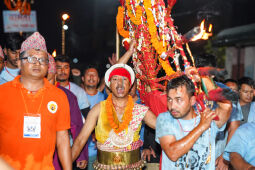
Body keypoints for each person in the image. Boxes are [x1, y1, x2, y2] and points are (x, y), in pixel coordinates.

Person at [0, 32, 72, 169]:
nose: (37, 63)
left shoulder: (59, 96)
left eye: (43, 60)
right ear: (20, 63)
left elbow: (63, 139)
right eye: (32, 58)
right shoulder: (2, 93)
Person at [71, 63, 156, 169]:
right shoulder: (98, 110)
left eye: (124, 79)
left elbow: (164, 129)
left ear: (130, 85)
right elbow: (80, 141)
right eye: (115, 79)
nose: (120, 84)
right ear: (109, 85)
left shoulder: (140, 110)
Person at [156, 74, 232, 170]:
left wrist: (203, 78)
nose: (172, 106)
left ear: (192, 100)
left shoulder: (207, 119)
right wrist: (201, 127)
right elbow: (173, 154)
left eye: (178, 100)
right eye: (169, 100)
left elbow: (227, 106)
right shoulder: (164, 120)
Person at [53, 85, 88, 170]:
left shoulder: (65, 95)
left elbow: (77, 126)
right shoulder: (21, 91)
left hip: (58, 153)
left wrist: (81, 154)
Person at [215, 79, 242, 170]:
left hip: (217, 153)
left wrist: (225, 157)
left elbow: (233, 128)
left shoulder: (227, 93)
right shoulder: (183, 88)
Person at [81, 65, 105, 170]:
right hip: (80, 151)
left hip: (98, 152)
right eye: (88, 75)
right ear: (83, 78)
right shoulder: (76, 96)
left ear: (98, 79)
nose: (91, 77)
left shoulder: (104, 98)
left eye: (94, 75)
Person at [55, 55, 90, 121]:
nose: (63, 71)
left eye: (66, 67)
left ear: (70, 69)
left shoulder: (79, 92)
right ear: (54, 69)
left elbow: (88, 118)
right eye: (59, 67)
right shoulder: (49, 89)